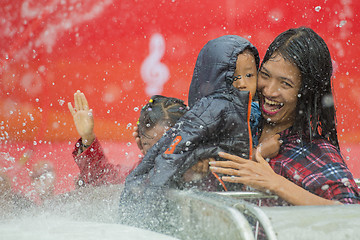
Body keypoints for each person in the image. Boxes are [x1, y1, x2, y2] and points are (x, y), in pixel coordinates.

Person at [209, 27, 360, 205]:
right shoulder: (241, 123)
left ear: (307, 93)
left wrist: (277, 184)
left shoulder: (314, 152)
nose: (269, 91)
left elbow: (352, 215)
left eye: (286, 84)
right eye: (265, 75)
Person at [123, 35, 280, 193]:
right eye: (233, 77)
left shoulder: (258, 112)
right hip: (217, 196)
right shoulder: (212, 112)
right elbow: (180, 156)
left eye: (249, 75)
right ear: (214, 79)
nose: (242, 83)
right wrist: (259, 152)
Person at [68, 91, 196, 187]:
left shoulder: (202, 165)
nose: (159, 155)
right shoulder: (142, 172)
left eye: (166, 146)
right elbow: (103, 180)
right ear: (139, 142)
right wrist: (88, 138)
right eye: (151, 148)